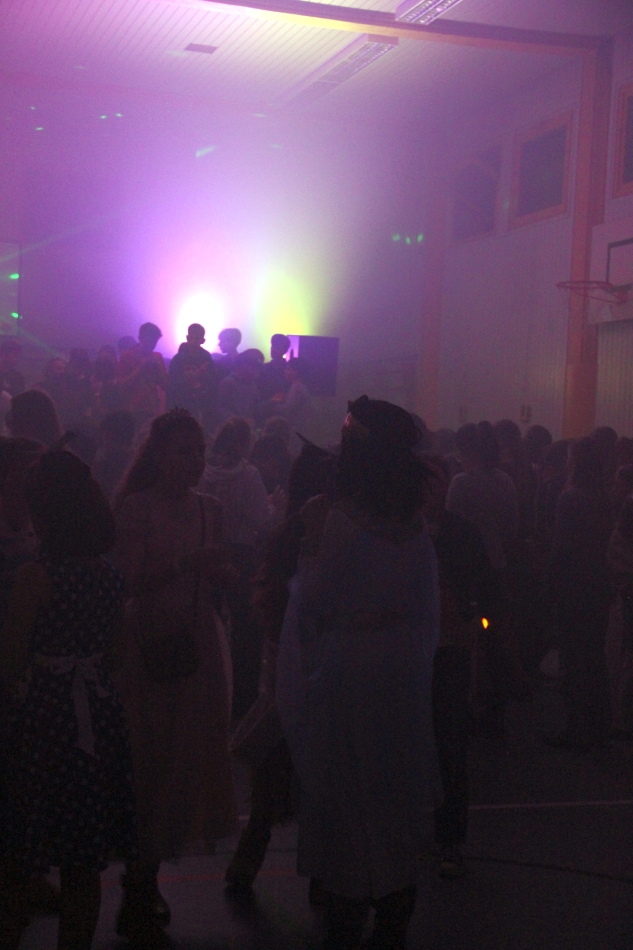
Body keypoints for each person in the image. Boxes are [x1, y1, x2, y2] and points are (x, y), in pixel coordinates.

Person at [277, 395, 440, 950]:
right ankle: (395, 906)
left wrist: (307, 550)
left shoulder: (343, 521)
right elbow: (425, 604)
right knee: (395, 784)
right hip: (402, 667)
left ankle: (347, 904)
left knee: (348, 786)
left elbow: (317, 598)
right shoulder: (414, 523)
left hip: (351, 666)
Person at [0, 450, 137, 950]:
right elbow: (119, 652)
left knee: (20, 854)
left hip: (41, 720)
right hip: (96, 720)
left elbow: (10, 660)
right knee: (83, 861)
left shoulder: (35, 578)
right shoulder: (108, 576)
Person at [113, 409, 237, 945]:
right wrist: (189, 564)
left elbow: (214, 579)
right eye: (184, 451)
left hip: (196, 644)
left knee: (184, 764)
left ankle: (146, 877)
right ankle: (139, 878)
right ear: (159, 456)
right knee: (148, 763)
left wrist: (221, 573)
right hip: (145, 645)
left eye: (199, 451)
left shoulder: (211, 509)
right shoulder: (137, 508)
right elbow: (126, 581)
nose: (195, 461)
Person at [225, 442, 337, 895]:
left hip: (284, 656)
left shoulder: (285, 536)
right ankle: (322, 872)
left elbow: (271, 604)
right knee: (323, 766)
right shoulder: (340, 535)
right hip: (323, 659)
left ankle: (250, 852)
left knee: (272, 759)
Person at [423, 454, 499, 879]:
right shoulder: (401, 532)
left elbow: (484, 586)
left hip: (449, 647)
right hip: (413, 651)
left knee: (449, 742)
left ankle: (450, 836)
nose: (431, 491)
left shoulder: (461, 533)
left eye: (437, 483)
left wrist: (471, 617)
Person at [201, 417, 284, 719]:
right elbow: (262, 521)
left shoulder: (204, 472)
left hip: (207, 553)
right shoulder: (249, 475)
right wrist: (275, 506)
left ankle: (208, 689)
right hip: (241, 555)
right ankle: (242, 697)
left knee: (209, 622)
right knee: (245, 629)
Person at [446, 422, 521, 739]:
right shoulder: (505, 481)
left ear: (468, 451)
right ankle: (495, 711)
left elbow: (449, 527)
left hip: (466, 572)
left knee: (466, 638)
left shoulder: (461, 483)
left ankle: (464, 708)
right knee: (494, 640)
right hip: (496, 568)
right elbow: (512, 528)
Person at [546, 437, 614, 751]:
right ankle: (599, 726)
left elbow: (561, 548)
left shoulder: (570, 498)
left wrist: (550, 585)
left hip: (573, 586)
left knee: (574, 658)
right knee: (594, 657)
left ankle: (577, 728)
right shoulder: (606, 497)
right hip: (599, 585)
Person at [116, 322, 167, 430]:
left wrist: (159, 368)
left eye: (154, 342)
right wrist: (140, 369)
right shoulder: (126, 357)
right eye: (148, 341)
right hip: (132, 409)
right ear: (140, 339)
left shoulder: (157, 357)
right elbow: (121, 386)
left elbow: (165, 386)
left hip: (152, 408)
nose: (151, 345)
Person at [167, 334, 218, 436]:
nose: (190, 372)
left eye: (193, 369)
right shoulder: (178, 360)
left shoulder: (207, 358)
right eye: (187, 369)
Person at [92, 410, 136, 501]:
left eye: (103, 434)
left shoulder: (105, 465)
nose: (100, 439)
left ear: (110, 435)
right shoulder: (138, 462)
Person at [217, 350, 261, 425]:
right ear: (244, 366)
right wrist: (240, 421)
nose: (257, 371)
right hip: (231, 427)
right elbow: (221, 408)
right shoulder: (228, 382)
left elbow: (254, 407)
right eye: (254, 367)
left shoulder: (252, 384)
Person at [258, 334, 291, 405]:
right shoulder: (264, 367)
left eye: (277, 347)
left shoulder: (289, 370)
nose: (273, 349)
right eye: (273, 346)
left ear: (285, 350)